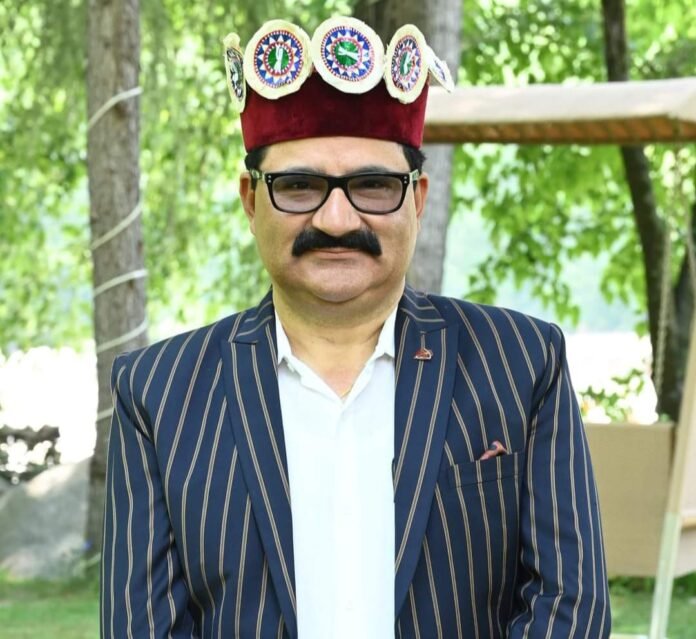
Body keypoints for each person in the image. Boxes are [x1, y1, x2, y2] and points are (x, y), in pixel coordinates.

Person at [101, 16, 611, 639]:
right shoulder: (159, 392)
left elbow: (571, 607)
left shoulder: (521, 363)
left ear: (417, 198)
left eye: (373, 185)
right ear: (250, 199)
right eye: (299, 186)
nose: (337, 219)